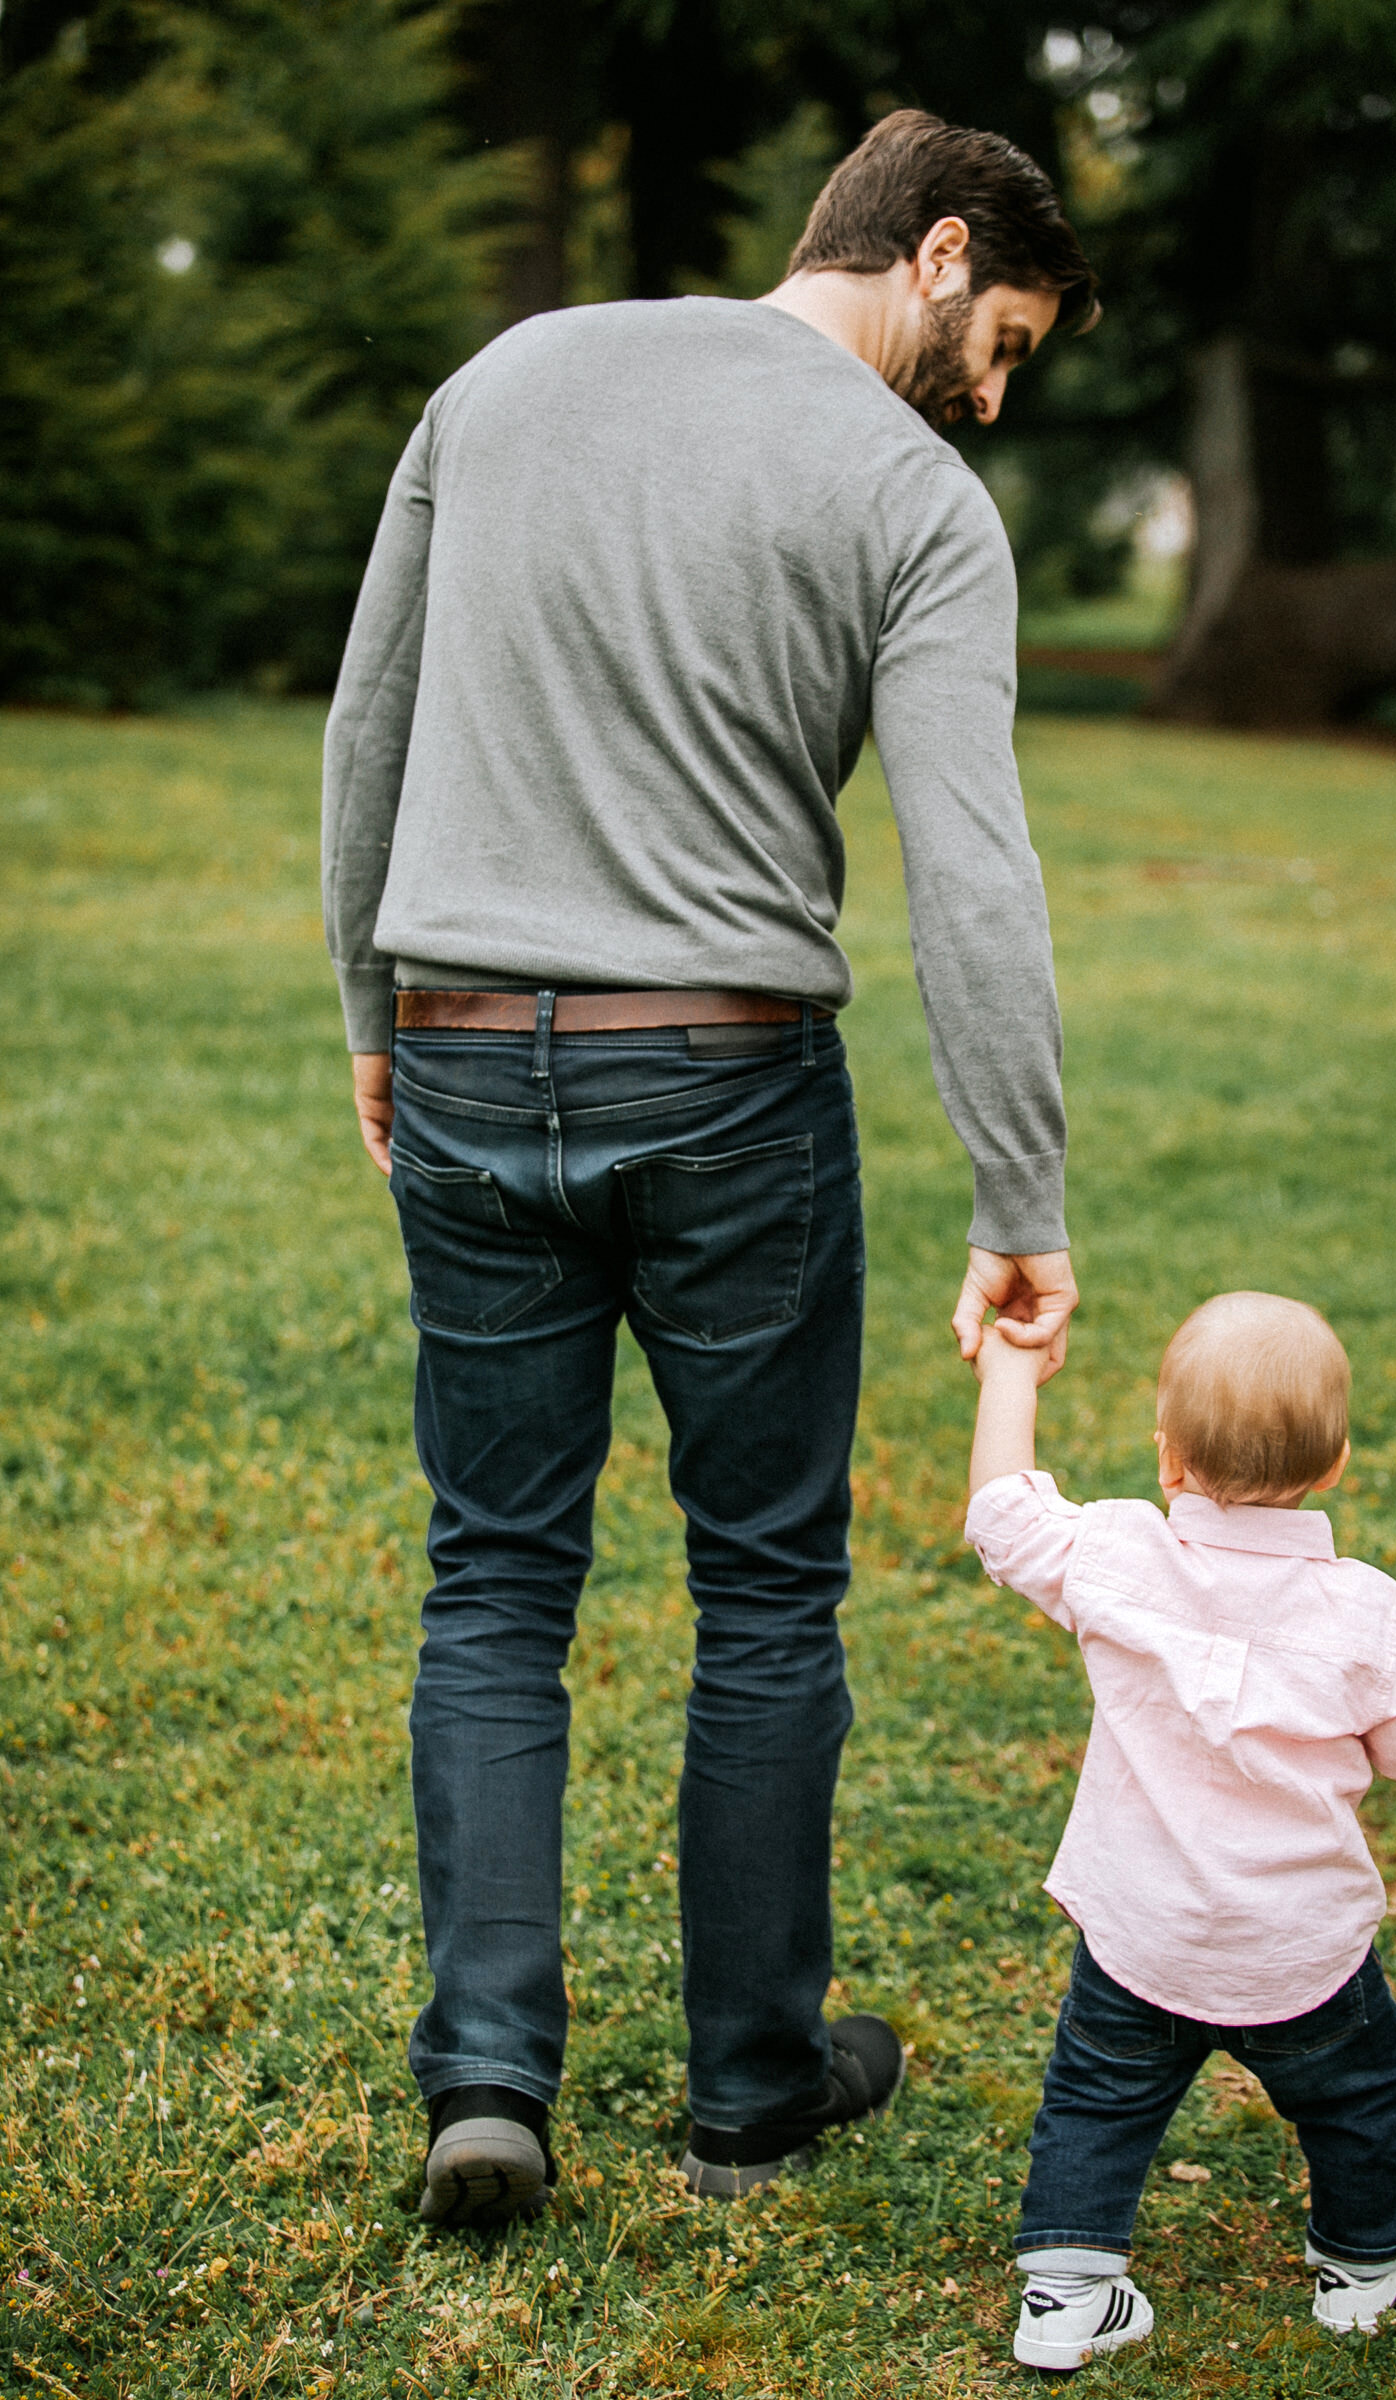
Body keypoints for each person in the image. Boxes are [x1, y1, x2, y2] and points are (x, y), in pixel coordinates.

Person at [321, 108, 1098, 2225]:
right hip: (733, 1081)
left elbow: (363, 731)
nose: (998, 394)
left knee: (495, 1576)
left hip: (472, 1057)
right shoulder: (906, 495)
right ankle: (750, 2082)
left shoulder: (504, 381)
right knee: (762, 1589)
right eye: (1007, 339)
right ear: (935, 257)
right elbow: (973, 876)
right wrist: (1019, 1200)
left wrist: (376, 1019)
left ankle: (486, 2080)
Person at [964, 1291, 1396, 2371]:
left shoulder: (1116, 1558)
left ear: (1168, 1459)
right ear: (1333, 1466)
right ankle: (1369, 2269)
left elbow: (1003, 1517)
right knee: (1362, 2099)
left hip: (1138, 1932)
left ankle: (1065, 2295)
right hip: (1302, 1947)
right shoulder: (1368, 1618)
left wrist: (1011, 1370)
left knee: (1098, 2100)